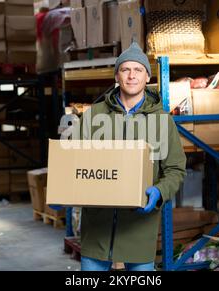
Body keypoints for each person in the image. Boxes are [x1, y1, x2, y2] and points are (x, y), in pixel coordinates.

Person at [53, 42, 187, 271]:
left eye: (138, 70)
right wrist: (60, 188)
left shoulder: (162, 120)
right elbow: (72, 161)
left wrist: (159, 192)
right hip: (98, 229)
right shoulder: (94, 115)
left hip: (139, 229)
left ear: (147, 77)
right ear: (117, 76)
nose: (132, 75)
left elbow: (175, 169)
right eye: (126, 70)